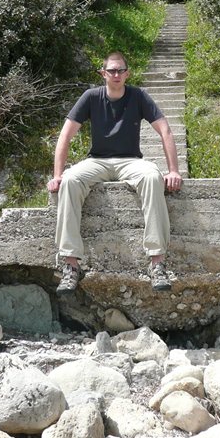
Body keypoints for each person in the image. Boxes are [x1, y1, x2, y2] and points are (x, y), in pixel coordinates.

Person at [47, 50, 183, 295]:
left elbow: (165, 131)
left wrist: (173, 170)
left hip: (130, 161)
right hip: (98, 161)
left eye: (121, 70)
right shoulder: (91, 97)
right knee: (70, 180)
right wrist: (57, 175)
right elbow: (65, 136)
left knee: (153, 177)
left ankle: (157, 262)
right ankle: (70, 264)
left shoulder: (138, 96)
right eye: (112, 70)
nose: (116, 74)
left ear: (127, 73)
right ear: (103, 73)